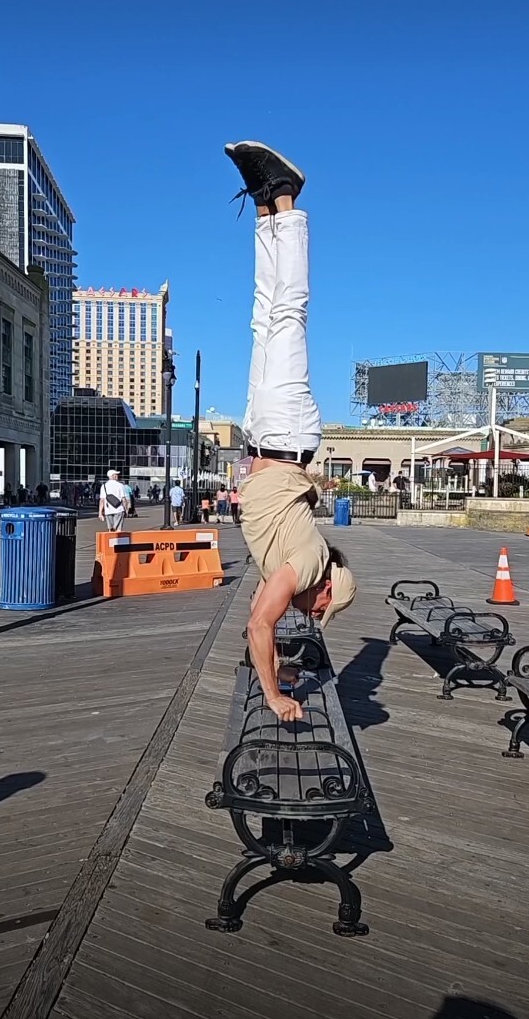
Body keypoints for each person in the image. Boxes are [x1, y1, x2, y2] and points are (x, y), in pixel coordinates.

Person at [224, 140, 357, 722]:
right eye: (318, 610)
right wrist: (276, 697)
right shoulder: (307, 564)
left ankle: (263, 208)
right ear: (327, 587)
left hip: (266, 436)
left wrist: (282, 671)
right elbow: (259, 621)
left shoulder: (301, 562)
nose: (309, 613)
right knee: (288, 313)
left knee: (262, 314)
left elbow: (263, 621)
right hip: (285, 431)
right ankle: (288, 200)